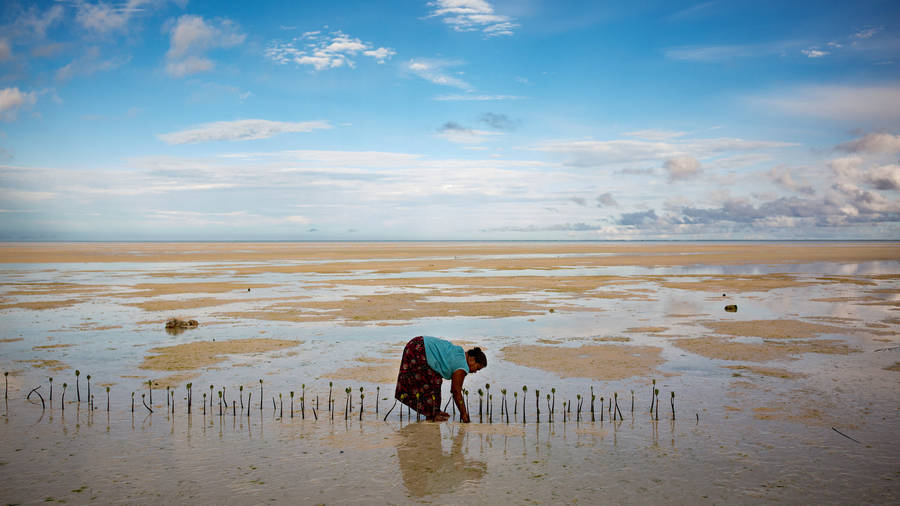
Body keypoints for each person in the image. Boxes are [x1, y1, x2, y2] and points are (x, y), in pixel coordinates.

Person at [394, 335, 486, 422]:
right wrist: (464, 414)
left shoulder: (460, 353)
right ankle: (432, 414)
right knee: (433, 382)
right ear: (472, 359)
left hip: (416, 343)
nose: (475, 372)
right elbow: (456, 391)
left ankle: (434, 412)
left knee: (435, 380)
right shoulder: (462, 366)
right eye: (477, 368)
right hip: (419, 349)